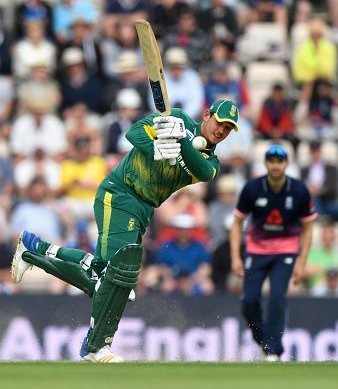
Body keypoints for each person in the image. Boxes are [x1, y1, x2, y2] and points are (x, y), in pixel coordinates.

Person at [12, 99, 240, 362]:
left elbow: (198, 167)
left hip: (143, 209)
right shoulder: (176, 117)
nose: (222, 131)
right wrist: (155, 145)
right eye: (220, 122)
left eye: (228, 128)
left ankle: (33, 248)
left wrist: (180, 142)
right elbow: (132, 133)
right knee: (117, 277)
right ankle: (96, 346)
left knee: (102, 272)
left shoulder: (211, 163)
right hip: (120, 193)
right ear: (207, 115)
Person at [230, 144, 317, 362]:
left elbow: (307, 228)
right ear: (266, 163)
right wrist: (235, 257)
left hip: (285, 252)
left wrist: (301, 262)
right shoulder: (252, 188)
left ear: (286, 163)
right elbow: (236, 223)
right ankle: (263, 341)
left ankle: (273, 350)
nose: (275, 165)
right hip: (256, 251)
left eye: (280, 161)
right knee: (249, 301)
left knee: (278, 297)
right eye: (271, 161)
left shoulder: (298, 190)